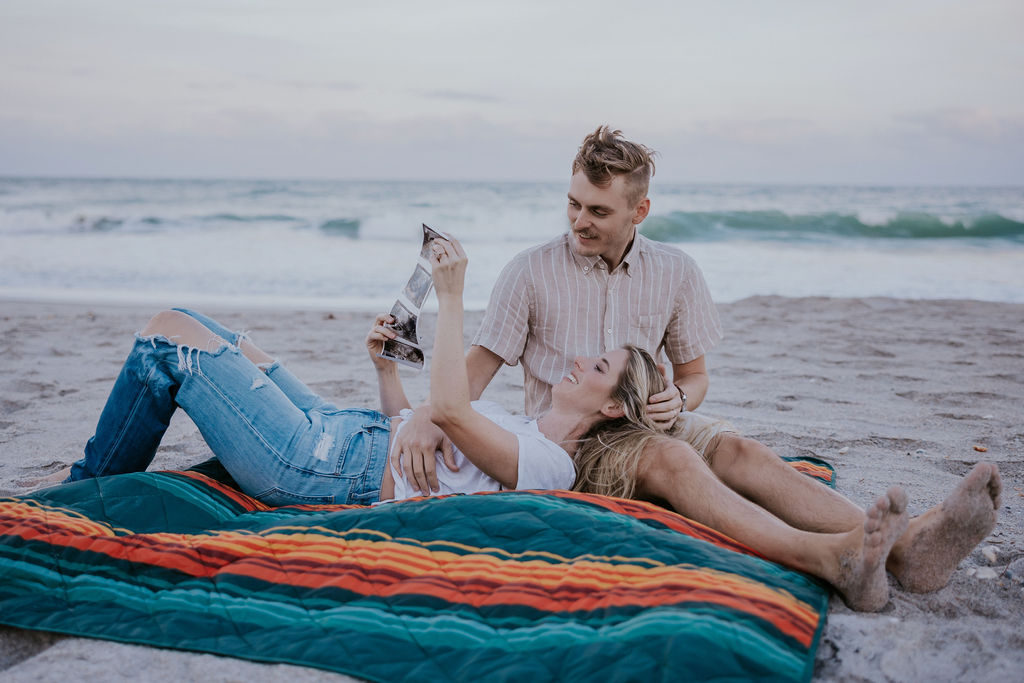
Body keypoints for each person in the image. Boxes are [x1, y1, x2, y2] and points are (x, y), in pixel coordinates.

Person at [391, 126, 1003, 601]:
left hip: (647, 419)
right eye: (573, 204)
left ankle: (903, 551)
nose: (580, 221)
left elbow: (695, 376)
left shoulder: (676, 271)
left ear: (640, 211)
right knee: (674, 456)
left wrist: (680, 400)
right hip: (571, 443)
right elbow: (480, 366)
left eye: (598, 212)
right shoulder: (529, 270)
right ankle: (841, 554)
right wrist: (430, 416)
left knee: (742, 452)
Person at [54, 237, 665, 506]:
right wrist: (386, 372)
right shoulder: (527, 427)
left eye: (599, 365)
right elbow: (414, 432)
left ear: (612, 405)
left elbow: (449, 409)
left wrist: (453, 295)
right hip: (340, 428)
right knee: (201, 325)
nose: (581, 359)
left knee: (168, 340)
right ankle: (90, 480)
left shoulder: (552, 464)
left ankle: (80, 491)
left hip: (319, 463)